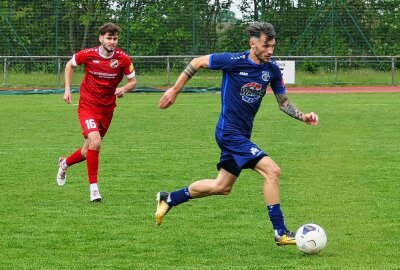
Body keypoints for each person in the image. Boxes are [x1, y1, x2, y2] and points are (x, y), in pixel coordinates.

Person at [155, 22, 319, 246]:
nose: (271, 51)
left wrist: (303, 116)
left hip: (242, 135)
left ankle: (170, 198)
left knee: (222, 187)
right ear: (253, 43)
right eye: (266, 45)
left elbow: (283, 103)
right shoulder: (233, 61)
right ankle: (280, 232)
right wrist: (175, 89)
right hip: (228, 133)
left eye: (273, 46)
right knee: (273, 171)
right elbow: (197, 62)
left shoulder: (271, 70)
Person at [56, 22, 137, 202]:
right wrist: (67, 89)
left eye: (115, 39)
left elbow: (133, 82)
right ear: (101, 38)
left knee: (88, 151)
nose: (112, 42)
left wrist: (124, 89)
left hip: (107, 109)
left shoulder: (123, 59)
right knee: (96, 141)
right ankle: (94, 189)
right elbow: (70, 65)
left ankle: (64, 163)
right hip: (88, 106)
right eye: (109, 38)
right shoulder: (88, 54)